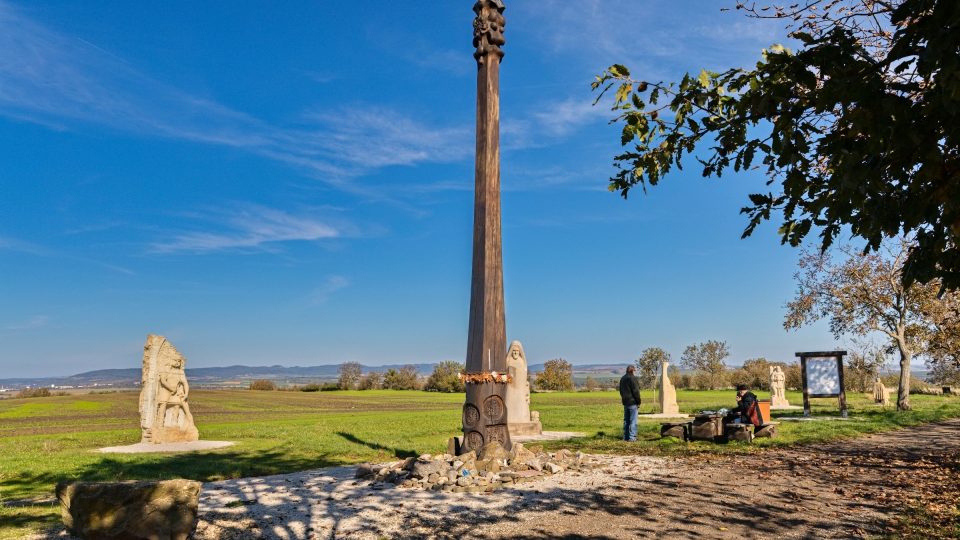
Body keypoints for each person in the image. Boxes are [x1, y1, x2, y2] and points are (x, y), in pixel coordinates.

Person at [618, 365, 642, 441]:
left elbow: (621, 391)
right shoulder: (633, 378)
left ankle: (626, 437)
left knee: (626, 421)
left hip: (625, 402)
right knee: (633, 421)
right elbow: (636, 391)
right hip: (633, 402)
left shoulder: (623, 378)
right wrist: (638, 401)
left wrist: (624, 399)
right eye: (634, 371)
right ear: (632, 371)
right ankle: (632, 438)